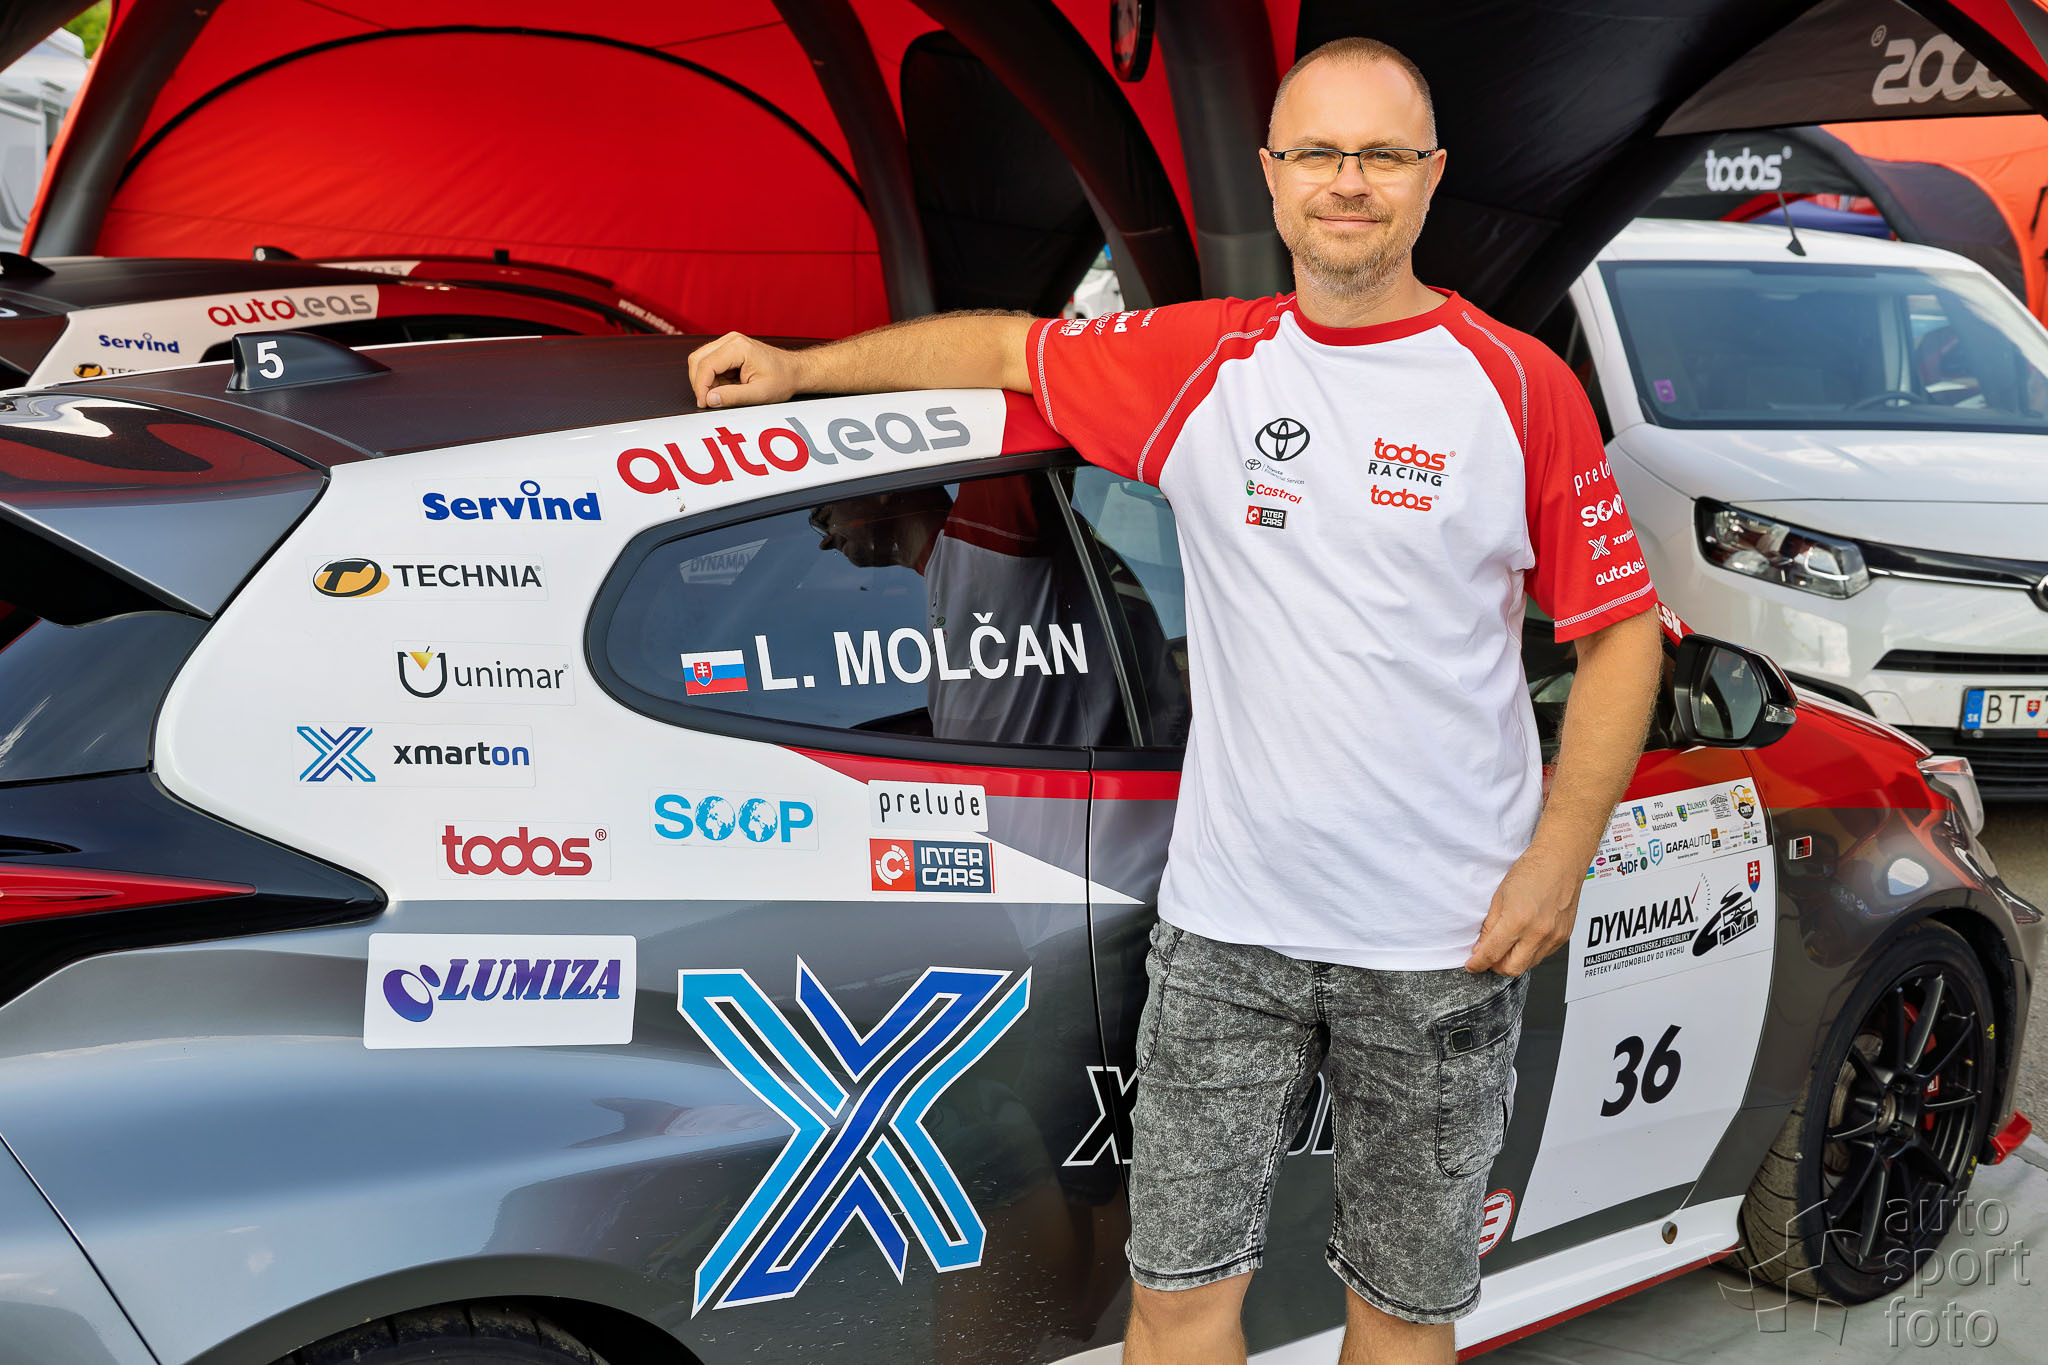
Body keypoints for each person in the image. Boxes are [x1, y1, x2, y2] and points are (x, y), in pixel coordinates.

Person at [686, 35, 1664, 1365]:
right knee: (1178, 1299)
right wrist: (803, 370)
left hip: (1443, 939)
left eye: (1381, 155)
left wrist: (1558, 858)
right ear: (1272, 175)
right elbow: (1009, 349)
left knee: (1403, 1310)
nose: (1349, 182)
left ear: (1432, 177)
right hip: (1226, 933)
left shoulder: (1518, 386)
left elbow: (1620, 638)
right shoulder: (1205, 363)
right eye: (1319, 153)